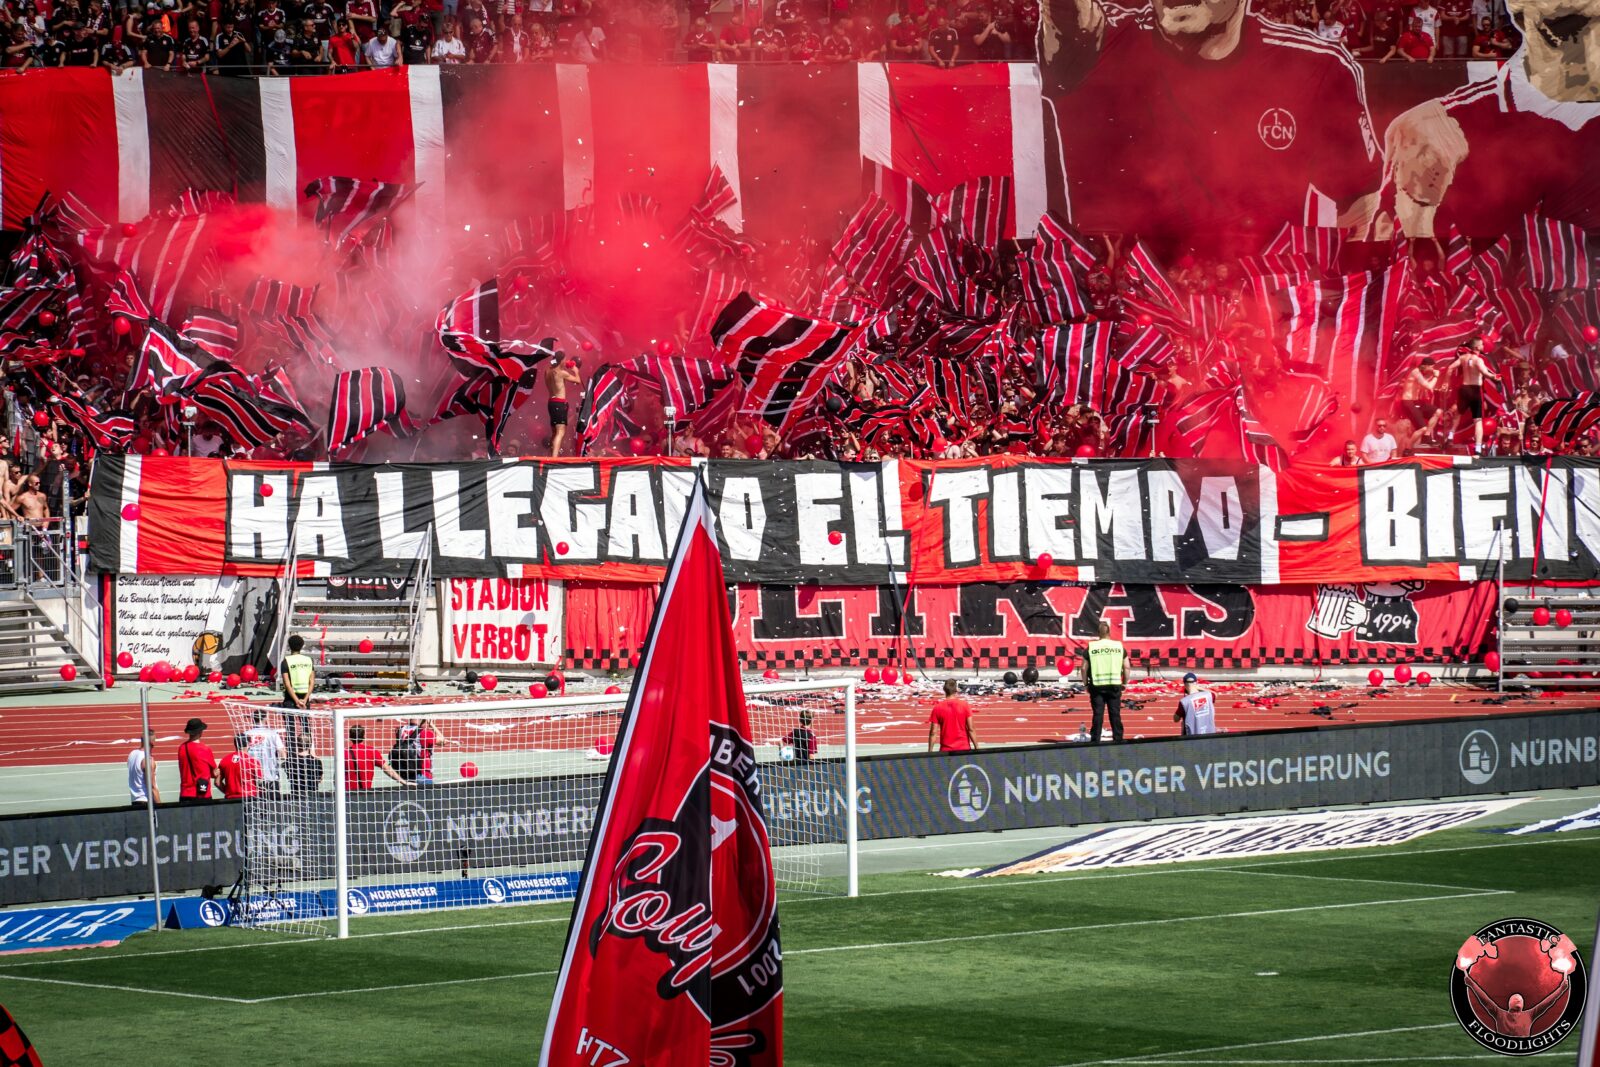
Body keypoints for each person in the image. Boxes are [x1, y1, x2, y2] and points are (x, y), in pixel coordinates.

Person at [1038, 0, 1380, 238]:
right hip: (1118, 304)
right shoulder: (1099, 41)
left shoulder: (1314, 67)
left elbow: (1361, 204)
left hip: (1259, 306)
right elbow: (1070, 22)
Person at [1081, 620, 1128, 743]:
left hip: (1097, 686)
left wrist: (1086, 684)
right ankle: (1118, 739)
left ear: (1098, 633)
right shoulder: (1118, 647)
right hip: (1114, 685)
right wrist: (1125, 683)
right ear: (1109, 632)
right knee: (1115, 713)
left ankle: (1095, 740)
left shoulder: (1091, 647)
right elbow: (1127, 667)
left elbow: (1083, 668)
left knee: (1098, 714)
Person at [1454, 337, 1500, 453]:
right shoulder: (1478, 360)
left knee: (1458, 414)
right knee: (1478, 420)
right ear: (1477, 347)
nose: (1484, 346)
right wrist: (1495, 377)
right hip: (1475, 389)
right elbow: (1485, 372)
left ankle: (1450, 436)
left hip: (1464, 388)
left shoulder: (1463, 357)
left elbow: (1451, 368)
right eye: (1482, 344)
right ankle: (1478, 448)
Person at [345, 724, 416, 789]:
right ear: (364, 736)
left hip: (347, 793)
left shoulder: (344, 753)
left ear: (350, 737)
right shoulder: (371, 751)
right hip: (365, 792)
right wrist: (404, 782)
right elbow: (386, 768)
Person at [280, 633, 315, 750]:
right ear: (302, 646)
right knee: (305, 725)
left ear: (289, 646)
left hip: (291, 698)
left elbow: (287, 684)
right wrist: (304, 700)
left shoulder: (286, 661)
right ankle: (308, 750)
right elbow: (312, 681)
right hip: (304, 697)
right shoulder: (309, 660)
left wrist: (296, 701)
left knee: (290, 726)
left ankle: (291, 752)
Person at [544, 350, 581, 457]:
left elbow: (553, 366)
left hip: (551, 403)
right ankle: (554, 458)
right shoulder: (561, 373)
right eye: (564, 359)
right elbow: (577, 381)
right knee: (560, 431)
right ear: (561, 360)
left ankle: (550, 455)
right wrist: (576, 371)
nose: (565, 361)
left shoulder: (547, 371)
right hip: (559, 403)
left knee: (554, 432)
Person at [927, 679, 978, 752]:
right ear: (956, 690)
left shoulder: (937, 708)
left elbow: (933, 732)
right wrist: (977, 747)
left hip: (946, 749)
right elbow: (971, 729)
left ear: (944, 689)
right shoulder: (964, 705)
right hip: (963, 748)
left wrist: (930, 751)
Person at [177, 717, 219, 804]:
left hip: (185, 792)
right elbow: (214, 773)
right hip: (202, 793)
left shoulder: (182, 748)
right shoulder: (204, 749)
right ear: (200, 732)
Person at [245, 707, 284, 792]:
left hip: (252, 776)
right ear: (265, 719)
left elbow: (242, 753)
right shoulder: (272, 733)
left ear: (253, 719)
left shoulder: (246, 734)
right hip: (270, 774)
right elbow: (282, 753)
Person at [218, 734, 264, 799]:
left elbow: (217, 782)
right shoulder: (253, 761)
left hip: (230, 798)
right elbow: (260, 782)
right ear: (248, 744)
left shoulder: (225, 760)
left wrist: (228, 792)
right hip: (249, 798)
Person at [127, 730, 160, 807]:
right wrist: (161, 806)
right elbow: (152, 786)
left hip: (135, 801)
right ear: (152, 743)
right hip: (146, 801)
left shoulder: (132, 754)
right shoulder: (148, 759)